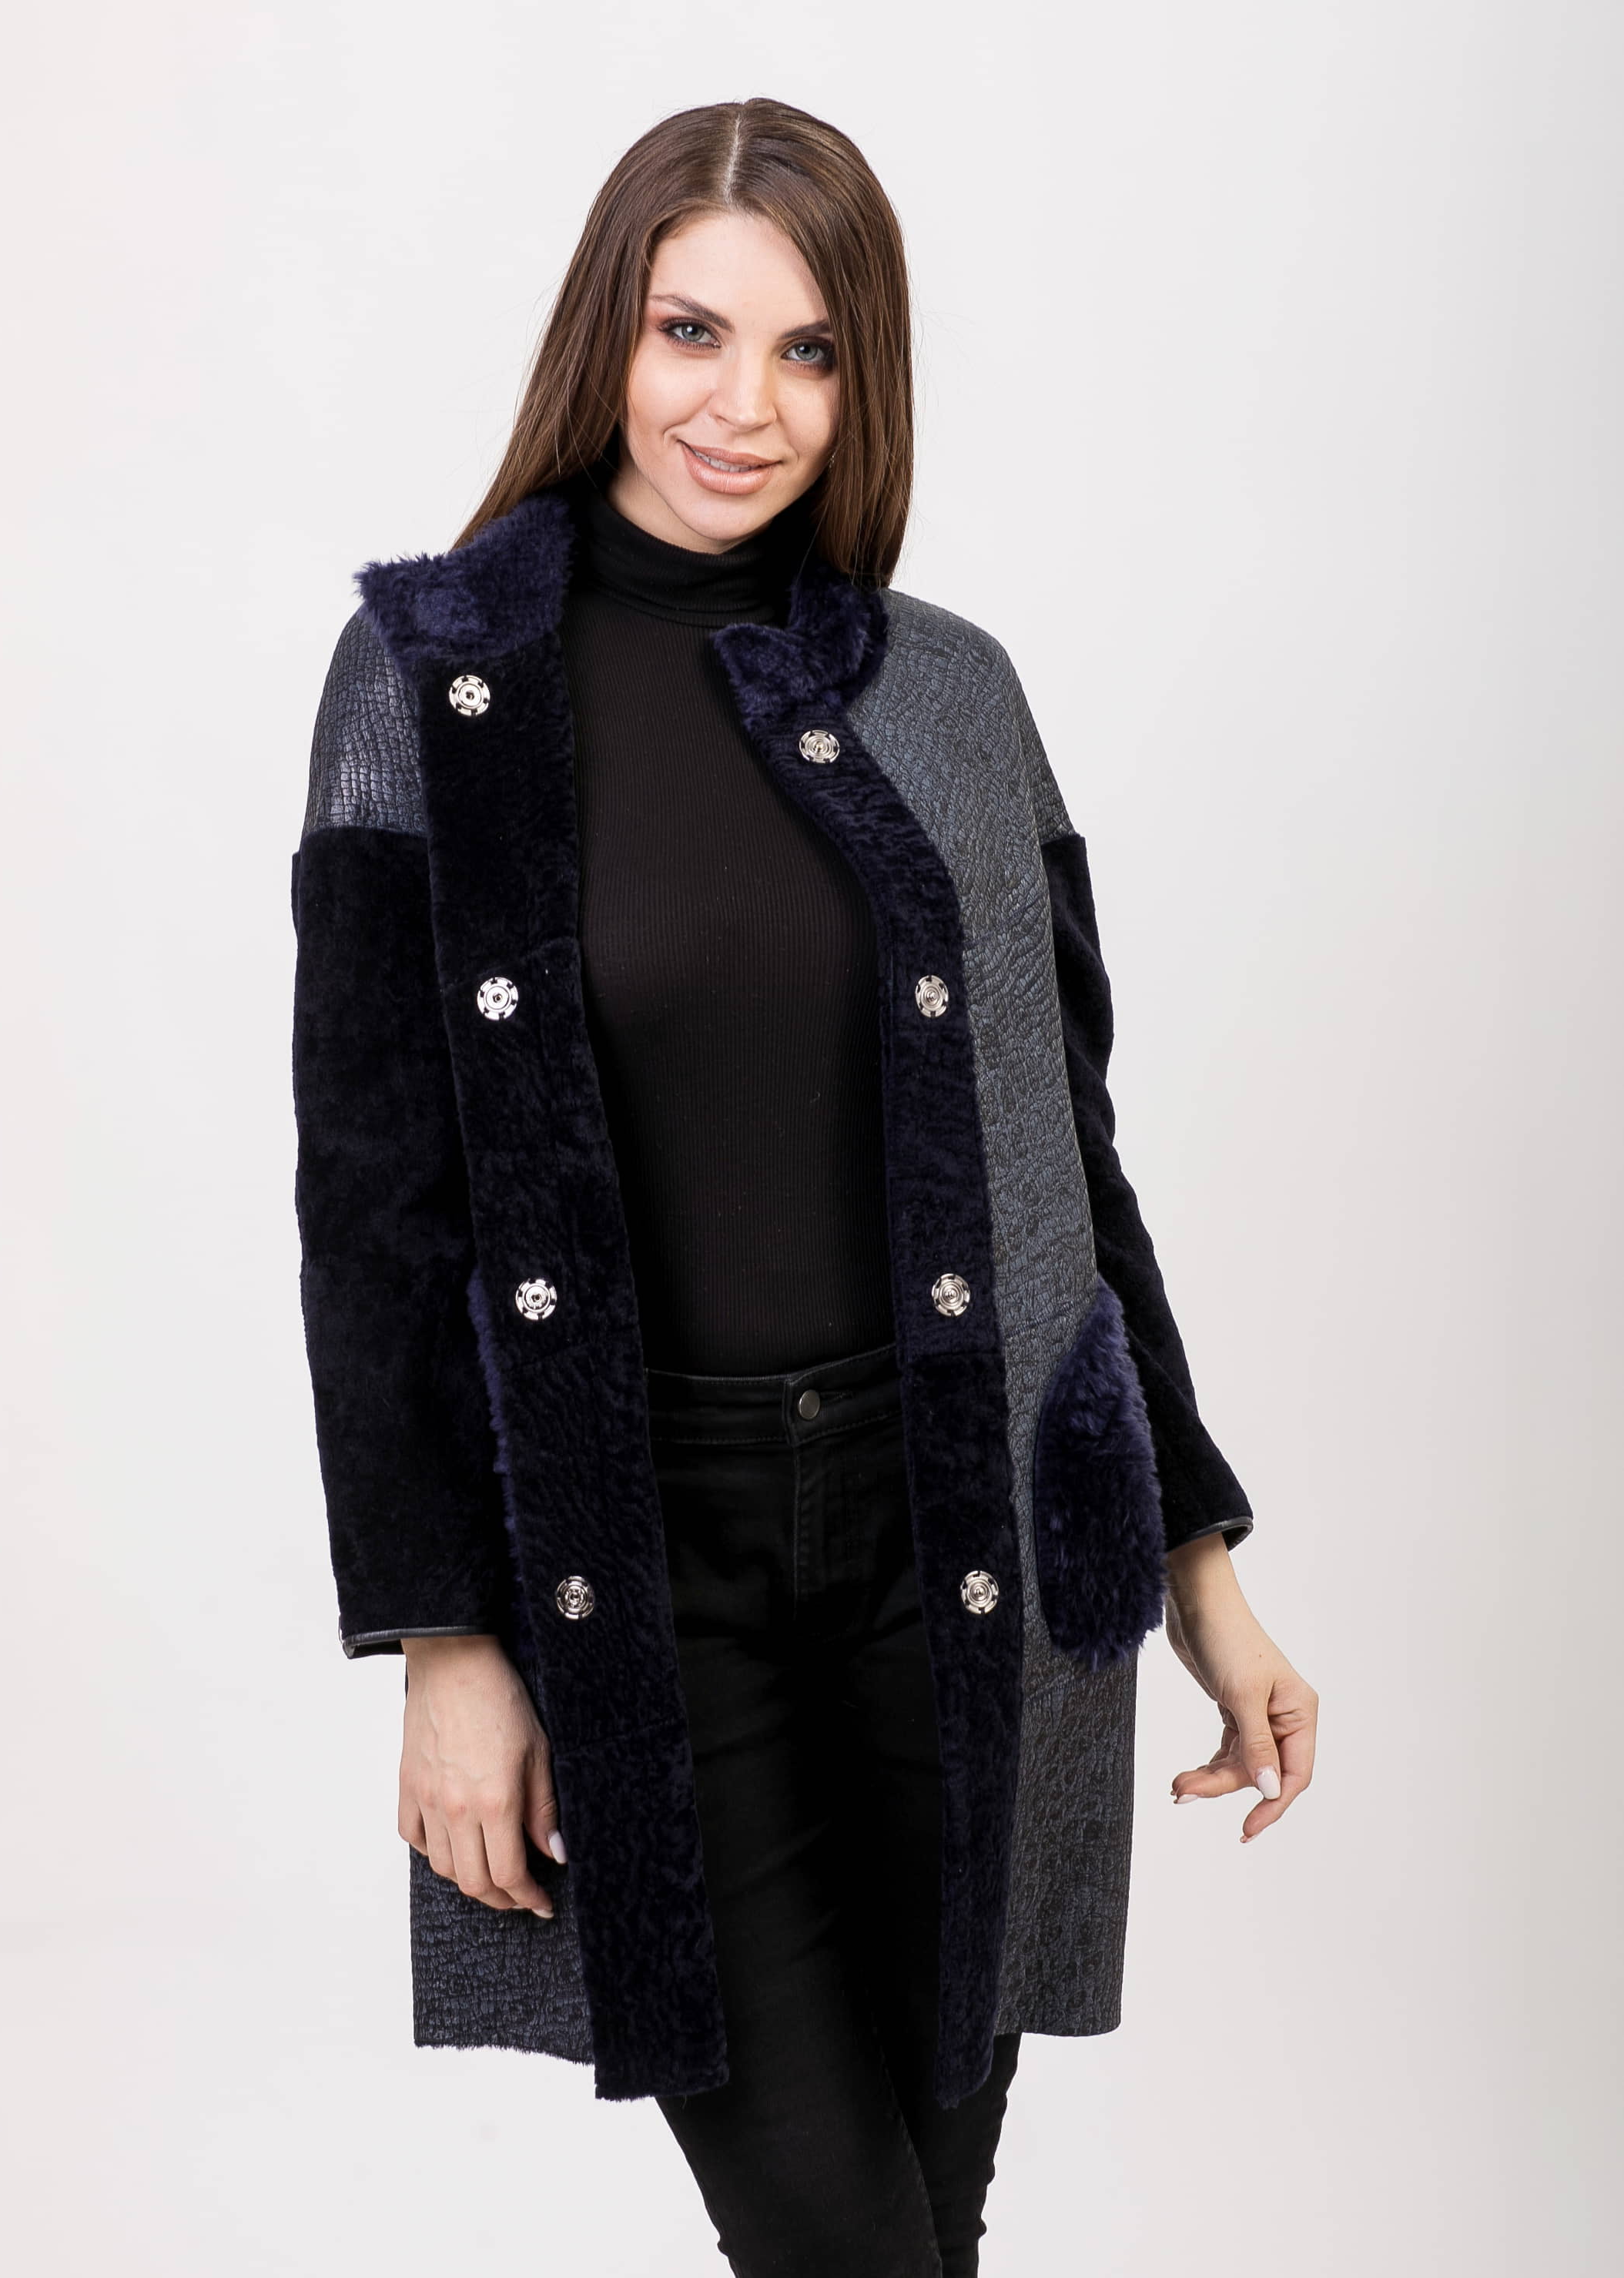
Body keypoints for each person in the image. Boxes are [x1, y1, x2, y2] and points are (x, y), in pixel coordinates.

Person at [290, 95, 1318, 2278]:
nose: (741, 406)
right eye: (692, 331)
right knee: (838, 2236)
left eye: (808, 351)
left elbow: (1068, 1169)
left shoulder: (948, 693)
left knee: (925, 2225)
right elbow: (375, 1211)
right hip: (642, 1565)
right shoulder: (431, 687)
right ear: (608, 331)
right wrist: (442, 1641)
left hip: (967, 1546)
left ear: (867, 380)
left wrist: (1201, 1566)